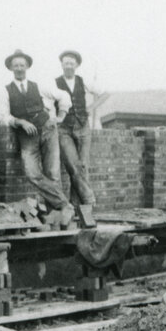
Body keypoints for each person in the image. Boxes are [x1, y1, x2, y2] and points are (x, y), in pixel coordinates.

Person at [0, 49, 75, 227]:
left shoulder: (38, 86)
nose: (19, 68)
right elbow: (3, 116)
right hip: (27, 137)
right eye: (16, 65)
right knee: (32, 173)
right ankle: (66, 205)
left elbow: (64, 95)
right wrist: (20, 122)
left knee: (53, 174)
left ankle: (57, 218)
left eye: (22, 65)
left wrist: (60, 117)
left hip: (48, 130)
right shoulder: (5, 91)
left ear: (27, 67)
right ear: (11, 68)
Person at [55, 50, 102, 211]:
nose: (69, 66)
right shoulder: (55, 83)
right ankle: (89, 199)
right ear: (62, 65)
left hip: (83, 127)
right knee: (73, 166)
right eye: (66, 63)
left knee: (82, 166)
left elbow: (105, 93)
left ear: (76, 65)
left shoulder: (83, 81)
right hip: (64, 129)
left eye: (72, 63)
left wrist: (91, 107)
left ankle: (77, 208)